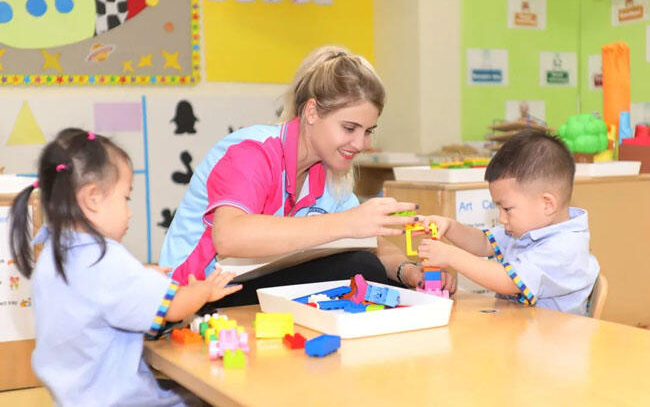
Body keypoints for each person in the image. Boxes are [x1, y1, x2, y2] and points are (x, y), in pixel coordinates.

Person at [159, 45, 450, 305]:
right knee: (361, 268)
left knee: (370, 271)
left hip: (241, 284)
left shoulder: (326, 174)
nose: (361, 144)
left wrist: (407, 272)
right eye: (349, 128)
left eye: (368, 131)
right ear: (311, 112)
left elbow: (370, 242)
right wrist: (347, 223)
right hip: (192, 295)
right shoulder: (252, 151)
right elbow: (228, 237)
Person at [10, 128, 241, 407]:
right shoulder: (105, 260)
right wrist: (202, 290)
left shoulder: (52, 253)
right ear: (93, 198)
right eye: (125, 197)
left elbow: (97, 293)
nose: (129, 212)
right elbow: (175, 306)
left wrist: (140, 275)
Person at [416, 129, 599, 315]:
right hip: (521, 325)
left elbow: (507, 281)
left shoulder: (565, 248)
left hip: (553, 333)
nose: (501, 218)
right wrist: (450, 227)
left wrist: (451, 256)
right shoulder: (527, 230)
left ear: (547, 204)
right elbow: (483, 242)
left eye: (507, 209)